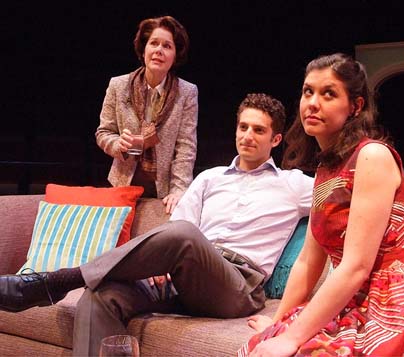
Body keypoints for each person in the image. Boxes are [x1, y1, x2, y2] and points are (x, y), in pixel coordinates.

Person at [0, 93, 314, 356]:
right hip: (186, 277)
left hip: (237, 287)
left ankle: (55, 282)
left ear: (275, 139)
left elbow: (350, 192)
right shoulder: (209, 179)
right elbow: (178, 227)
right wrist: (160, 264)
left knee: (185, 236)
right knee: (101, 295)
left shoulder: (293, 184)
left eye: (258, 130)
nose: (247, 136)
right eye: (243, 127)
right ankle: (61, 285)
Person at [239, 54, 404, 356]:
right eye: (308, 91)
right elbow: (308, 261)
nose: (313, 103)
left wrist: (292, 339)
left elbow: (357, 266)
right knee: (261, 345)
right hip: (352, 296)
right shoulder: (324, 170)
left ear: (355, 107)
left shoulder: (372, 156)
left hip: (395, 299)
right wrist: (278, 323)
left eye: (328, 93)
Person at [95, 15, 198, 214]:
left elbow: (186, 147)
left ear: (175, 55)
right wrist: (118, 144)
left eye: (167, 46)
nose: (159, 50)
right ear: (144, 50)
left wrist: (180, 190)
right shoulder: (119, 85)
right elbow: (104, 132)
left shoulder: (187, 92)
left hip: (164, 189)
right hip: (123, 182)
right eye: (154, 43)